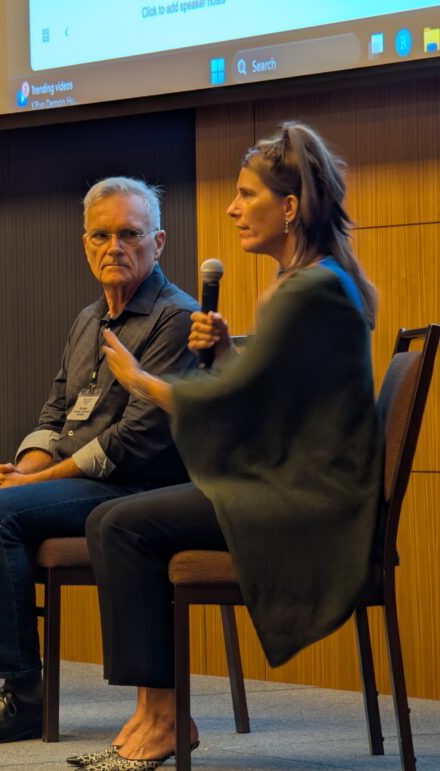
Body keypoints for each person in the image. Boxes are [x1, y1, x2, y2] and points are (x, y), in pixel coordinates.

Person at [76, 123, 381, 770]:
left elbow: (238, 407)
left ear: (289, 207)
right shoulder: (312, 281)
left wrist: (142, 380)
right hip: (293, 485)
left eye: (246, 194)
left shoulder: (309, 290)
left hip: (305, 505)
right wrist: (223, 351)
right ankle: (153, 711)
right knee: (111, 519)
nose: (232, 208)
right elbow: (272, 398)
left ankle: (163, 718)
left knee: (121, 524)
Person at [0, 177, 199, 744]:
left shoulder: (176, 318)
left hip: (135, 489)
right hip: (65, 479)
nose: (115, 247)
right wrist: (26, 469)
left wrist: (32, 483)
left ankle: (23, 696)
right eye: (101, 235)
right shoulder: (88, 319)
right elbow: (57, 409)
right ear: (84, 243)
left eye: (130, 234)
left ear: (158, 242)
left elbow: (137, 440)